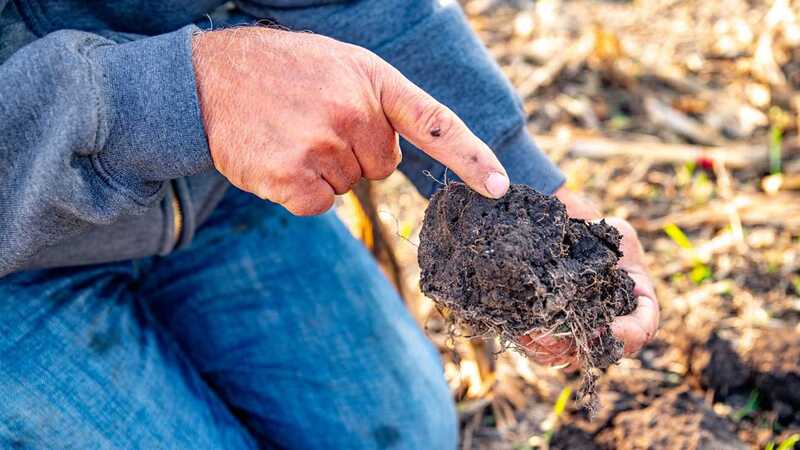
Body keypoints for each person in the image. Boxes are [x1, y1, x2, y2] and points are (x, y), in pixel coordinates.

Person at [0, 0, 659, 448]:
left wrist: (528, 192)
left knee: (405, 434)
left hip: (215, 185)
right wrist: (171, 95)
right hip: (12, 255)